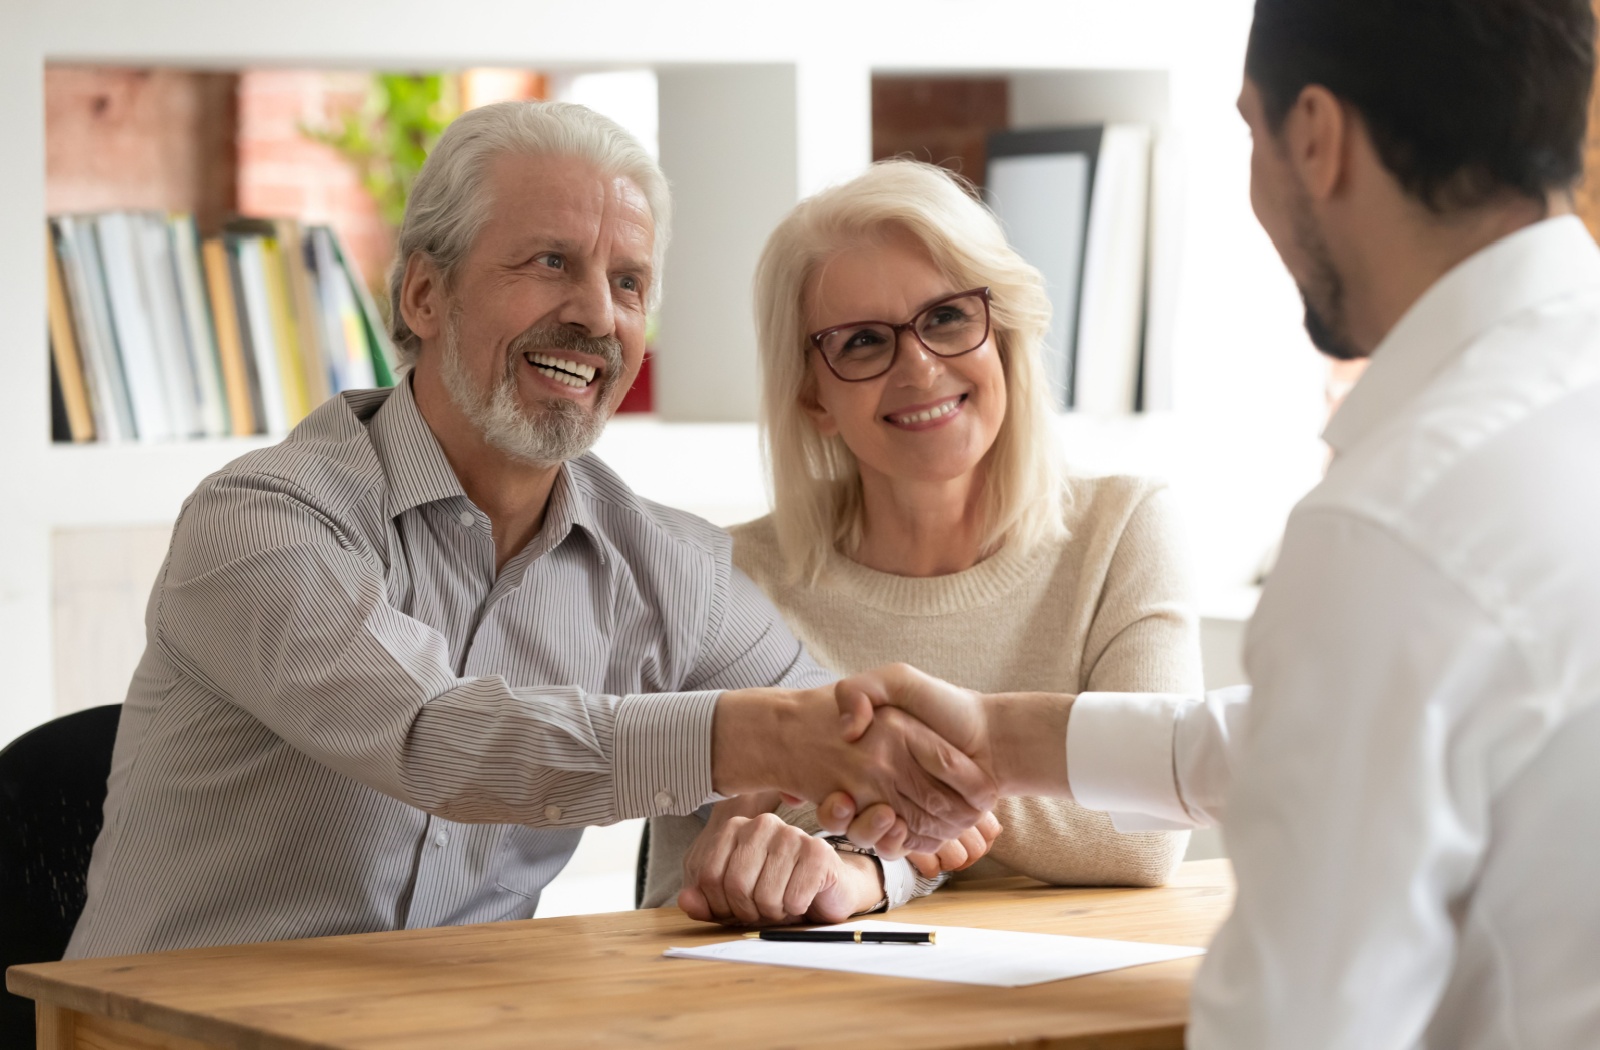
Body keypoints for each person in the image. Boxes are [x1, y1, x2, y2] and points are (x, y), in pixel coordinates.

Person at [827, 0, 1600, 1046]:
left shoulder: (1395, 524)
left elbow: (1295, 1025)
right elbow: (1340, 731)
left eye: (1249, 131)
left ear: (1316, 137)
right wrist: (1004, 738)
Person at [64, 101, 997, 959]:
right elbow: (434, 735)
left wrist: (857, 864)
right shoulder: (259, 521)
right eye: (550, 261)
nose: (596, 314)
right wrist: (767, 738)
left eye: (628, 282)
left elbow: (883, 781)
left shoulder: (670, 569)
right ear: (424, 296)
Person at [641, 161, 1203, 926]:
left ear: (1002, 332)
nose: (920, 368)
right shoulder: (723, 581)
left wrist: (871, 838)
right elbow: (681, 888)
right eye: (865, 342)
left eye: (946, 318)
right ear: (813, 394)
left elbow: (1145, 830)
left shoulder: (1124, 529)